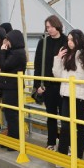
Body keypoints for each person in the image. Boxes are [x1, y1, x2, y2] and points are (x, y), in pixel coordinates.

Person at [52, 29, 84, 162]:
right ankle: (62, 156)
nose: (69, 43)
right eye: (68, 40)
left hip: (81, 98)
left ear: (78, 40)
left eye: (72, 40)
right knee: (65, 126)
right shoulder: (68, 55)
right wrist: (58, 59)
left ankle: (78, 157)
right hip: (66, 96)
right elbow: (59, 75)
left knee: (81, 127)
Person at [33, 15, 68, 150]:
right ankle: (51, 142)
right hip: (47, 85)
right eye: (47, 27)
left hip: (63, 85)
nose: (50, 30)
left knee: (65, 117)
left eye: (51, 26)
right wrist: (37, 86)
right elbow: (37, 64)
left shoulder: (66, 41)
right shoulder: (43, 42)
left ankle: (66, 145)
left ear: (57, 25)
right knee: (51, 116)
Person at [0, 29, 28, 150]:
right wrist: (3, 51)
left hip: (13, 87)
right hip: (9, 86)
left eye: (8, 40)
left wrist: (3, 51)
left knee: (12, 114)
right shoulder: (14, 52)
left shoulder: (17, 53)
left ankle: (15, 141)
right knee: (10, 114)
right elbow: (1, 63)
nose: (6, 42)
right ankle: (12, 138)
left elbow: (4, 65)